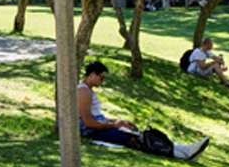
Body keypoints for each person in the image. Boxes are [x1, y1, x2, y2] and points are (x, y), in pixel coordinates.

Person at [77, 61, 211, 160]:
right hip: (93, 132)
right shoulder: (83, 92)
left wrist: (119, 121)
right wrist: (113, 125)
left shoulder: (87, 91)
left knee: (140, 134)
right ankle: (182, 152)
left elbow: (98, 116)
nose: (102, 81)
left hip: (100, 127)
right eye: (101, 77)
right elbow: (88, 123)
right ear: (92, 75)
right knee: (138, 140)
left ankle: (182, 149)